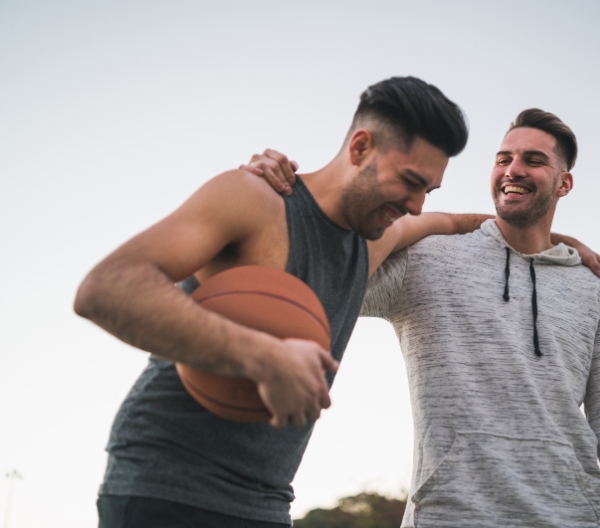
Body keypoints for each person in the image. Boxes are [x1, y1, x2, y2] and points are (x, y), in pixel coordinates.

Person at [74, 76, 474, 528]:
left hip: (264, 504)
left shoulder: (373, 241)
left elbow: (455, 222)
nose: (418, 205)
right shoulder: (254, 198)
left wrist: (553, 242)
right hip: (165, 488)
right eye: (410, 182)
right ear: (360, 147)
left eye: (428, 191)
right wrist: (264, 358)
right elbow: (105, 287)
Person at [358, 109, 600, 527]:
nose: (513, 170)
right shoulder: (426, 259)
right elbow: (334, 273)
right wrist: (452, 222)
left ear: (564, 183)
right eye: (503, 158)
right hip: (451, 517)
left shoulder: (597, 290)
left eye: (534, 160)